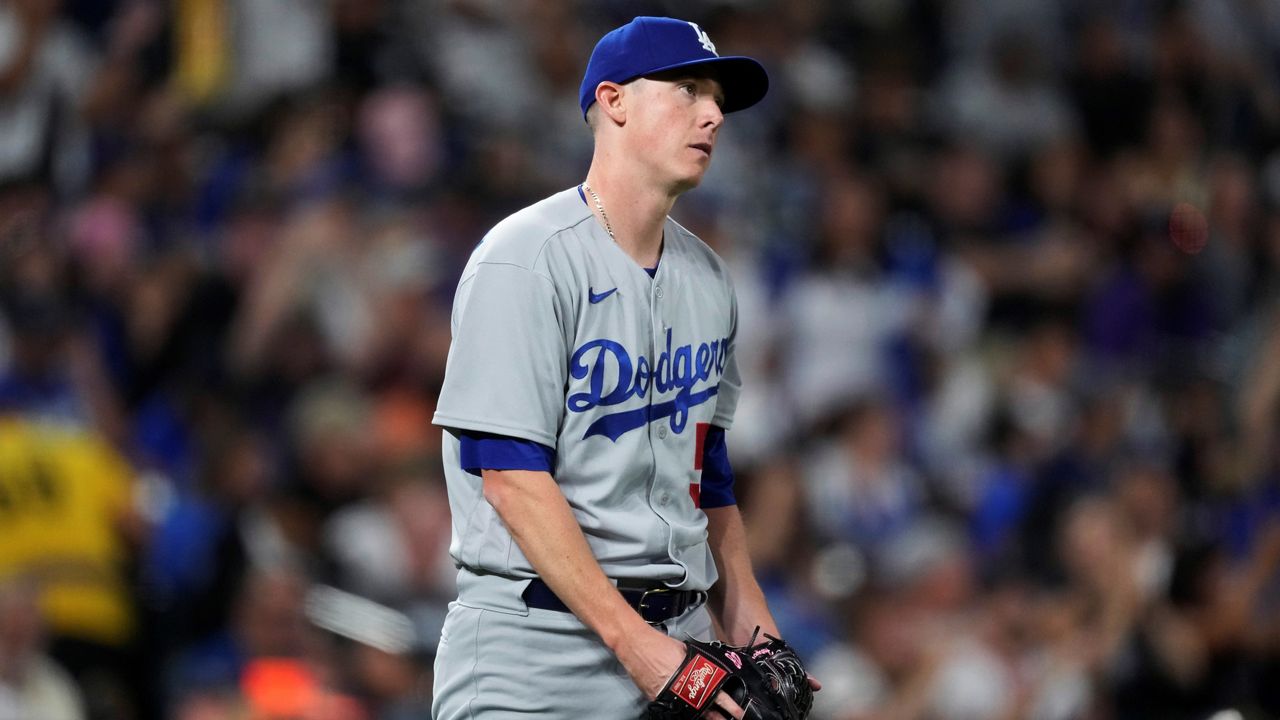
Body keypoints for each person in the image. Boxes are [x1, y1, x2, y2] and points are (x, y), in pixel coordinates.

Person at [431, 15, 815, 719]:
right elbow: (511, 477)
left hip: (681, 637)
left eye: (718, 101)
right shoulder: (526, 257)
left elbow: (709, 472)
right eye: (689, 90)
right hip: (536, 649)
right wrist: (635, 644)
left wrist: (752, 623)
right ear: (613, 102)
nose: (713, 114)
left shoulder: (709, 278)